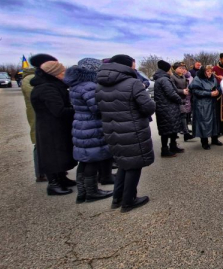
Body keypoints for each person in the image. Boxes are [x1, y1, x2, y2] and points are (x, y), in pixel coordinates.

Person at [96, 54, 155, 213]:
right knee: (134, 165)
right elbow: (148, 107)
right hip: (132, 129)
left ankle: (117, 198)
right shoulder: (133, 83)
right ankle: (129, 200)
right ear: (128, 65)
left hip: (112, 129)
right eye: (134, 64)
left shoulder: (100, 84)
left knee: (123, 163)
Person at [64, 58, 113, 204]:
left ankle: (82, 192)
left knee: (84, 160)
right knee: (92, 159)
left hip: (81, 125)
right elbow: (97, 108)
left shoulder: (76, 85)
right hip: (91, 126)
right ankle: (91, 192)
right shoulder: (89, 86)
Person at [30, 56, 77, 195]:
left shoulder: (53, 86)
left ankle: (62, 177)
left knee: (61, 153)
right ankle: (53, 183)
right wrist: (78, 109)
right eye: (62, 72)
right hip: (50, 127)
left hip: (57, 126)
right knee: (52, 154)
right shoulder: (46, 89)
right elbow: (59, 110)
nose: (64, 75)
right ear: (54, 74)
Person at [21, 63, 47, 182]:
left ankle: (49, 169)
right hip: (37, 115)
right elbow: (38, 95)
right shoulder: (30, 79)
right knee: (39, 142)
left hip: (40, 114)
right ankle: (41, 173)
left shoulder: (32, 78)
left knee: (45, 142)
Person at [153, 60, 185, 157]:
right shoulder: (164, 79)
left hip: (167, 108)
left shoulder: (162, 78)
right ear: (167, 69)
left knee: (171, 128)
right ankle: (165, 150)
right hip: (167, 108)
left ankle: (173, 146)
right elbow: (171, 93)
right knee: (166, 130)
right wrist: (180, 100)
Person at [189, 65, 222, 150]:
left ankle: (215, 139)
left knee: (214, 121)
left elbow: (218, 87)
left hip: (213, 103)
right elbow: (195, 91)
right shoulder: (197, 79)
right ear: (203, 72)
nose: (210, 72)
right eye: (207, 71)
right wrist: (209, 93)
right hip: (202, 105)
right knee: (204, 122)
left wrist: (218, 91)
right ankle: (204, 142)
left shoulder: (213, 78)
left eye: (210, 71)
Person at [170, 62, 194, 141]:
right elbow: (173, 89)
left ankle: (185, 133)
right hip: (177, 99)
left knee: (184, 116)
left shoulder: (183, 76)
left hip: (184, 99)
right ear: (175, 69)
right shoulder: (172, 77)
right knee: (180, 116)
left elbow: (185, 86)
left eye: (183, 68)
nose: (182, 69)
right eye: (180, 68)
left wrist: (187, 90)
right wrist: (182, 91)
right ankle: (183, 134)